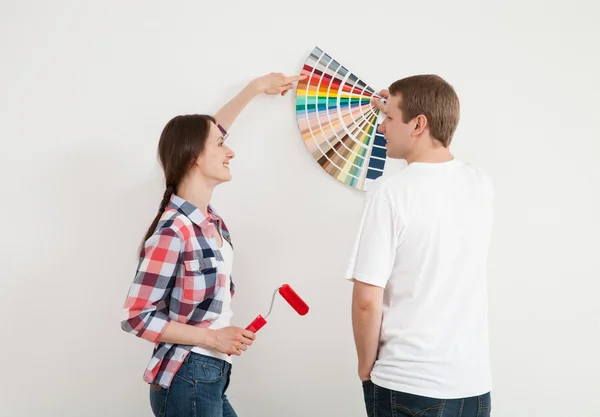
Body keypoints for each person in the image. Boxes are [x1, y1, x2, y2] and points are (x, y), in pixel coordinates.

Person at [121, 72, 305, 417]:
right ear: (194, 158)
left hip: (209, 374)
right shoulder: (173, 231)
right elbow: (137, 317)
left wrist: (254, 90)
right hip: (187, 374)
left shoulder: (209, 222)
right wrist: (214, 338)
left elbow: (209, 131)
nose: (230, 151)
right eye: (220, 146)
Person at [346, 75, 494, 417]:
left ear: (418, 124)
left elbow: (367, 301)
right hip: (472, 385)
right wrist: (400, 107)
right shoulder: (480, 183)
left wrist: (365, 368)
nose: (381, 127)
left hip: (407, 384)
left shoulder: (389, 193)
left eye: (389, 118)